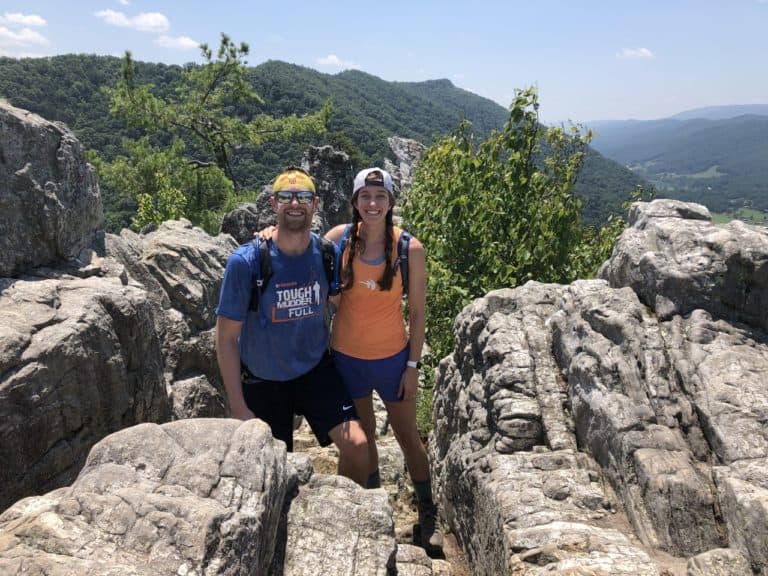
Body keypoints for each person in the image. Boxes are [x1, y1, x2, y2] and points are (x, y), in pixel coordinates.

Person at [215, 166, 369, 487]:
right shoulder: (246, 263)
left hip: (314, 369)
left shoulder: (327, 254)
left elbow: (343, 306)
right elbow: (227, 339)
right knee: (271, 471)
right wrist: (238, 407)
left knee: (357, 446)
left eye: (303, 197)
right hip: (262, 379)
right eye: (286, 196)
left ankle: (341, 506)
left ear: (316, 204)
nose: (295, 203)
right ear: (274, 204)